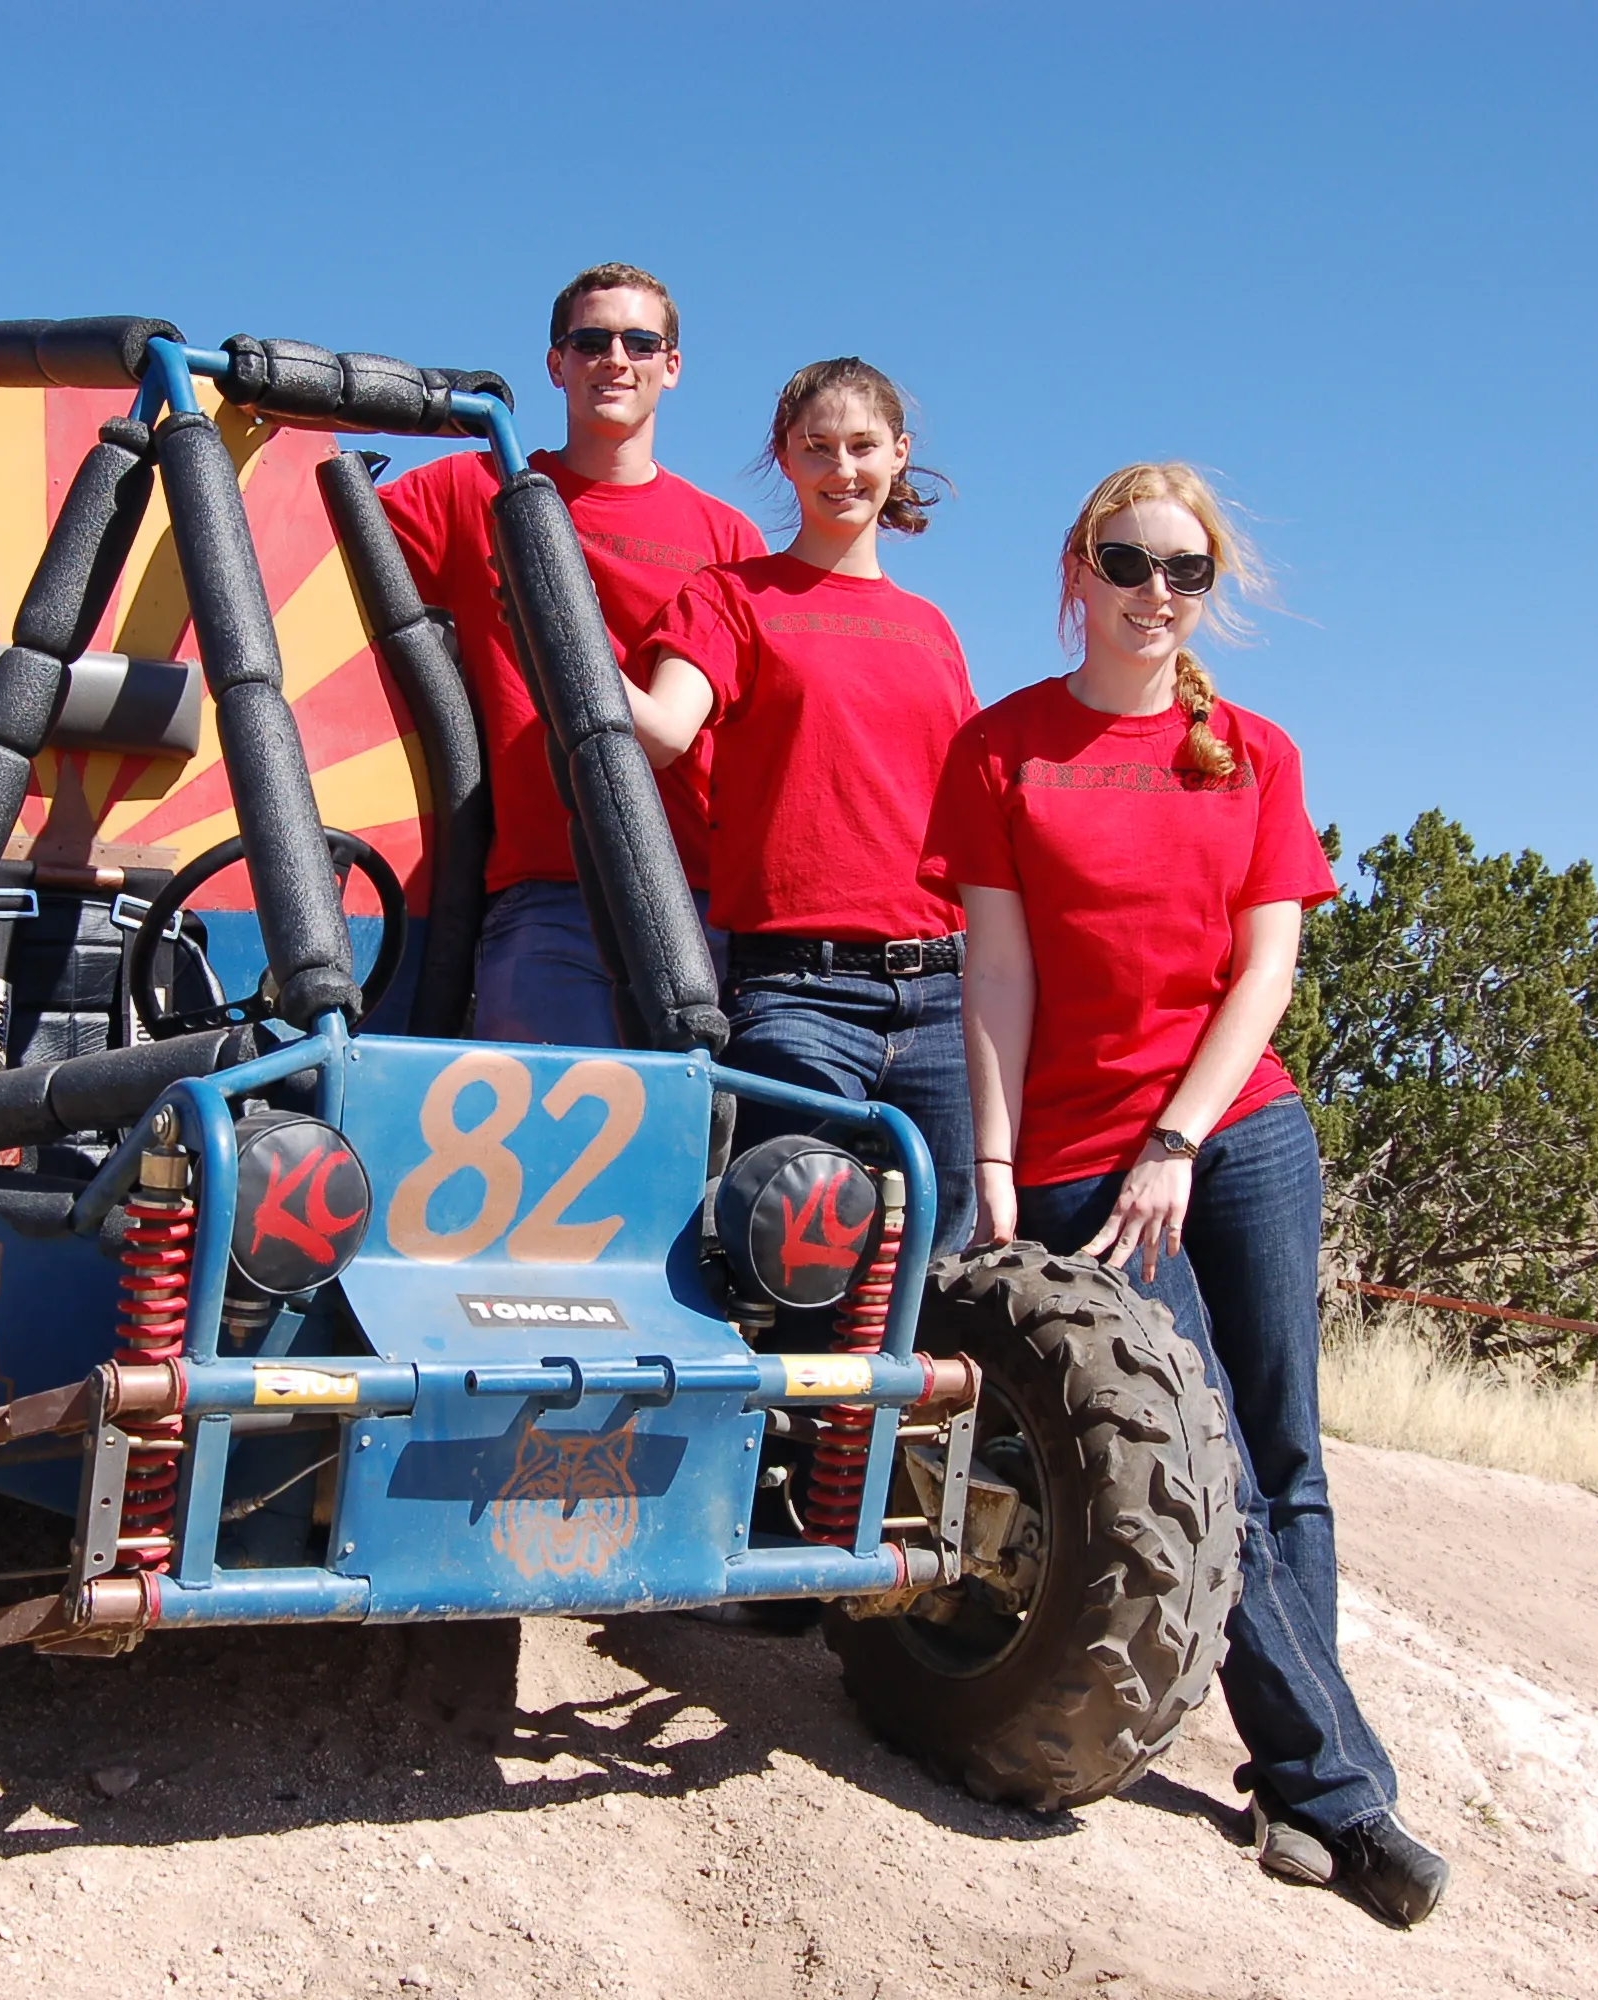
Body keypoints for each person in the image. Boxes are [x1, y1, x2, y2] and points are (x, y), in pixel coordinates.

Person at [914, 462, 1448, 1926]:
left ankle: (1291, 1782)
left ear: (1211, 588)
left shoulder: (1253, 753)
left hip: (1234, 1136)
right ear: (1076, 568)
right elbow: (998, 974)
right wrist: (1002, 1168)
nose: (1157, 590)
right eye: (1128, 559)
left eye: (1186, 568)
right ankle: (1347, 1794)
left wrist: (1185, 1138)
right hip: (1086, 1157)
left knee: (1286, 1457)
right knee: (1200, 1457)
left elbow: (1266, 968)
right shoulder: (1004, 747)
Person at [623, 358, 978, 1254]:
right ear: (785, 457)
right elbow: (665, 727)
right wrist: (561, 647)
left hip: (943, 990)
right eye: (817, 448)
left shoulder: (933, 629)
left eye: (862, 447)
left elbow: (973, 821)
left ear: (899, 455)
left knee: (935, 1265)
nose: (842, 470)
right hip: (798, 991)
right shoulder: (730, 597)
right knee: (789, 1254)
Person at [381, 262, 765, 1047]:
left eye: (639, 341)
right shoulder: (472, 490)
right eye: (589, 341)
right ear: (555, 364)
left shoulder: (728, 538)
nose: (614, 358)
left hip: (694, 897)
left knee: (686, 1156)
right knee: (541, 1157)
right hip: (544, 893)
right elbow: (313, 542)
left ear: (672, 365)